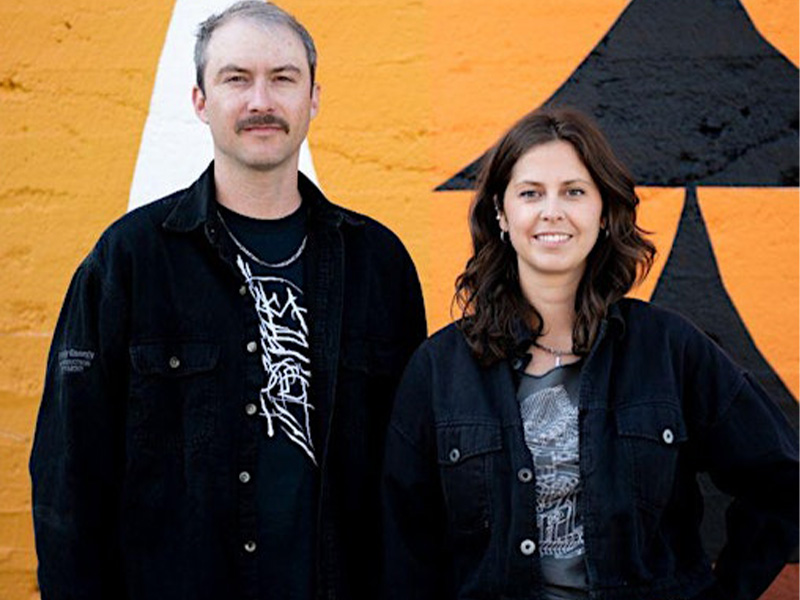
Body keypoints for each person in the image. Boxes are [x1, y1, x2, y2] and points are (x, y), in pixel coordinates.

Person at [30, 2, 426, 599]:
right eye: (236, 78)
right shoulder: (128, 261)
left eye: (283, 78)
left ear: (313, 98)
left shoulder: (379, 265)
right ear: (199, 100)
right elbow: (69, 477)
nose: (260, 101)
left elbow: (411, 481)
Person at [382, 107, 797, 600]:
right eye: (531, 193)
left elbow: (782, 481)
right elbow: (404, 545)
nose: (552, 211)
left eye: (574, 192)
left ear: (604, 213)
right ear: (501, 213)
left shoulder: (669, 349)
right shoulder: (440, 368)